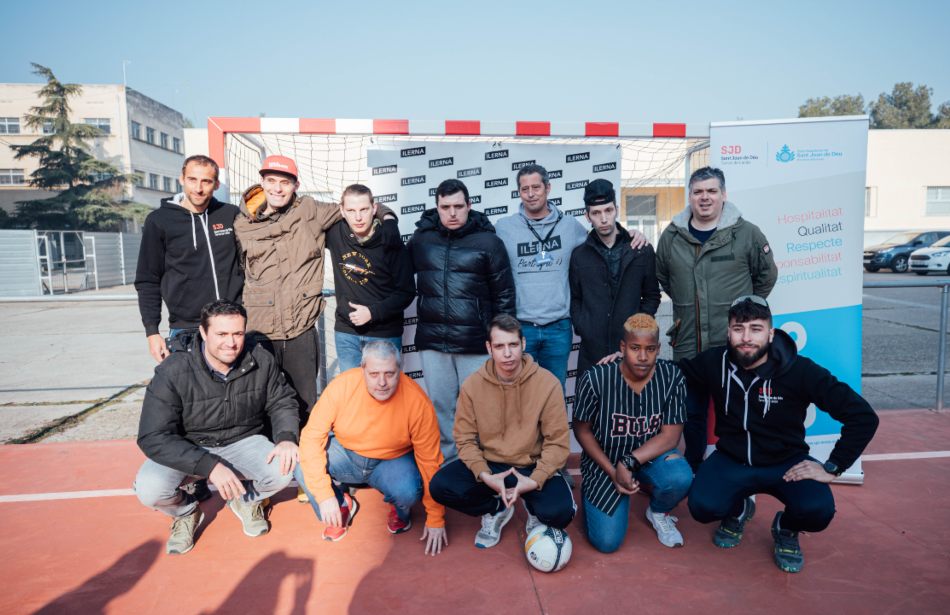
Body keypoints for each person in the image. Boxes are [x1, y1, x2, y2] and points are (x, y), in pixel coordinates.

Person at [682, 296, 879, 573]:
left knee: (818, 512)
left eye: (756, 328)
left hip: (786, 463)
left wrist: (833, 467)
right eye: (739, 329)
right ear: (728, 332)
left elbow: (862, 416)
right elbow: (673, 373)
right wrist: (628, 363)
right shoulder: (715, 362)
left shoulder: (800, 370)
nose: (746, 338)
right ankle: (737, 510)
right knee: (702, 506)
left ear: (771, 333)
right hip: (733, 459)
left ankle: (786, 528)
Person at [133, 299, 300, 555]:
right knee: (150, 489)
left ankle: (246, 501)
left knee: (284, 469)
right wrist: (209, 466)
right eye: (221, 334)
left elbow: (282, 400)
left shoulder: (260, 360)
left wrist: (286, 437)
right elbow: (152, 436)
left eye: (238, 333)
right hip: (189, 446)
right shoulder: (173, 370)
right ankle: (186, 512)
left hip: (242, 440)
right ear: (203, 332)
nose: (231, 343)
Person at [655, 166, 778, 471]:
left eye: (711, 191)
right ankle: (694, 467)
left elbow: (766, 277)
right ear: (690, 196)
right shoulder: (672, 237)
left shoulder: (746, 233)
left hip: (734, 346)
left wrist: (744, 315)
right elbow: (665, 278)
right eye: (698, 192)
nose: (705, 198)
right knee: (692, 413)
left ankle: (737, 468)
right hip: (689, 345)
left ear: (723, 194)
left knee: (737, 410)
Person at [429, 315, 575, 549]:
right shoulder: (473, 385)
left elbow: (557, 443)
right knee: (440, 486)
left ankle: (533, 506)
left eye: (513, 345)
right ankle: (496, 509)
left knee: (561, 514)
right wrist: (484, 475)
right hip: (492, 465)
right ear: (489, 348)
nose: (507, 354)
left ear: (523, 345)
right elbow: (464, 439)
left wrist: (534, 480)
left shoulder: (547, 384)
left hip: (531, 465)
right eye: (499, 346)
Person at [295, 340, 448, 555]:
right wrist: (324, 495)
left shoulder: (417, 402)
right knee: (301, 464)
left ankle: (399, 510)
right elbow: (312, 438)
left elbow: (430, 462)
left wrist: (435, 518)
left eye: (389, 373)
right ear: (363, 369)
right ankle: (342, 503)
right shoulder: (342, 386)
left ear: (400, 370)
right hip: (347, 454)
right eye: (374, 374)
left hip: (391, 462)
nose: (382, 382)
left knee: (407, 490)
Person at [408, 179, 515, 463]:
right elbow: (395, 272)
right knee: (442, 408)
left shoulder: (489, 242)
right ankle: (453, 467)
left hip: (476, 344)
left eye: (458, 206)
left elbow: (504, 294)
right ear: (437, 208)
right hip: (434, 343)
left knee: (480, 408)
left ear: (469, 206)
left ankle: (482, 467)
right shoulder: (422, 239)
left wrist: (500, 340)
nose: (452, 213)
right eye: (446, 207)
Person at [573, 314, 692, 552]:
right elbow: (581, 431)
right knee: (607, 542)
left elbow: (671, 437)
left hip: (648, 458)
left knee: (679, 476)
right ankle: (598, 493)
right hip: (605, 462)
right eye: (635, 348)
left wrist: (628, 463)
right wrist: (614, 471)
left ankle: (658, 511)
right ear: (622, 347)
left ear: (659, 349)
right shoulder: (596, 378)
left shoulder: (672, 377)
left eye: (649, 349)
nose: (642, 357)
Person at [135, 155, 243, 362]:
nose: (198, 188)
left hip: (231, 326)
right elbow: (148, 280)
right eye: (192, 179)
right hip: (186, 328)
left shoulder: (230, 215)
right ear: (181, 179)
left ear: (216, 184)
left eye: (206, 181)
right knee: (189, 393)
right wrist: (152, 331)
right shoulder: (159, 221)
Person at [494, 164, 587, 390]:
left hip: (558, 327)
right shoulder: (504, 228)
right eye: (525, 189)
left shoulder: (570, 226)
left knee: (554, 393)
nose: (531, 193)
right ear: (519, 192)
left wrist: (631, 233)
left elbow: (601, 244)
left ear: (548, 188)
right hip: (521, 327)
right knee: (520, 394)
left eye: (536, 187)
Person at [569, 179, 661, 376]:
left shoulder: (641, 250)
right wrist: (583, 326)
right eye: (596, 212)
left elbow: (652, 296)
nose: (603, 219)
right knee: (591, 405)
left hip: (633, 349)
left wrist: (637, 329)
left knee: (632, 406)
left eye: (608, 210)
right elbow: (575, 298)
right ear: (587, 216)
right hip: (592, 350)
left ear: (616, 210)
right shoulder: (579, 255)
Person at [326, 184, 415, 372]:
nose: (358, 217)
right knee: (352, 394)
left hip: (384, 334)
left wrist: (373, 313)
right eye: (351, 210)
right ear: (342, 211)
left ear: (374, 209)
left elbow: (407, 292)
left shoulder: (390, 239)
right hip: (346, 332)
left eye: (364, 210)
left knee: (385, 394)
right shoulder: (335, 233)